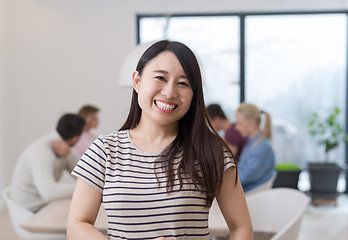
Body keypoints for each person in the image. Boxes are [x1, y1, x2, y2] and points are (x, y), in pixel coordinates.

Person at [67, 40, 253, 240]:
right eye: (160, 78)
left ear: (194, 94)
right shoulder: (104, 150)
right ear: (137, 81)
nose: (170, 92)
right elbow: (77, 225)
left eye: (183, 83)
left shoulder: (212, 151)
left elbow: (241, 227)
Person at [10, 113, 85, 212]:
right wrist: (83, 189)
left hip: (41, 206)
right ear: (75, 138)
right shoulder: (42, 151)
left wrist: (69, 154)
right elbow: (49, 192)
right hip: (29, 211)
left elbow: (84, 175)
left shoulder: (62, 149)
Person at [235, 103, 276, 193]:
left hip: (252, 194)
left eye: (239, 123)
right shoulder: (252, 143)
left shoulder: (262, 146)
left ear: (252, 123)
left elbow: (244, 177)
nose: (236, 127)